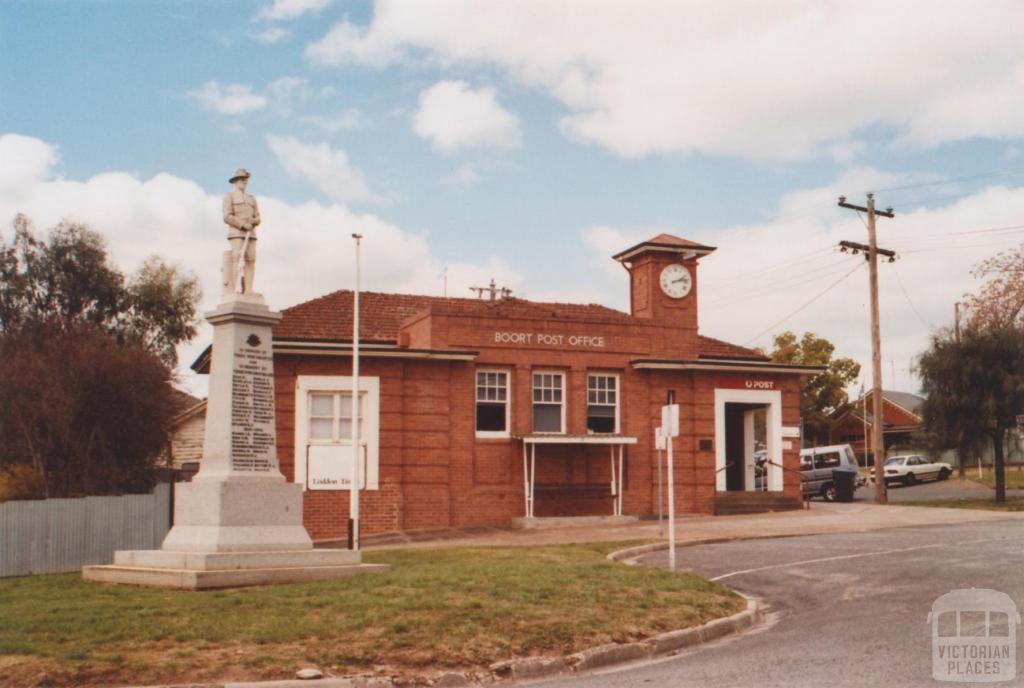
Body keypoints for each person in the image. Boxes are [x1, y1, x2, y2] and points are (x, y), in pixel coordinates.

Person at [221, 168, 261, 295]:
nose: (245, 181)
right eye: (242, 179)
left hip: (251, 235)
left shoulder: (252, 199)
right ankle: (235, 289)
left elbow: (258, 216)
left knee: (251, 260)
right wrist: (243, 224)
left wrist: (254, 222)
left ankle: (249, 289)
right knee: (237, 258)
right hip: (237, 233)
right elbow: (227, 216)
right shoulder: (229, 196)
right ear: (236, 181)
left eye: (246, 179)